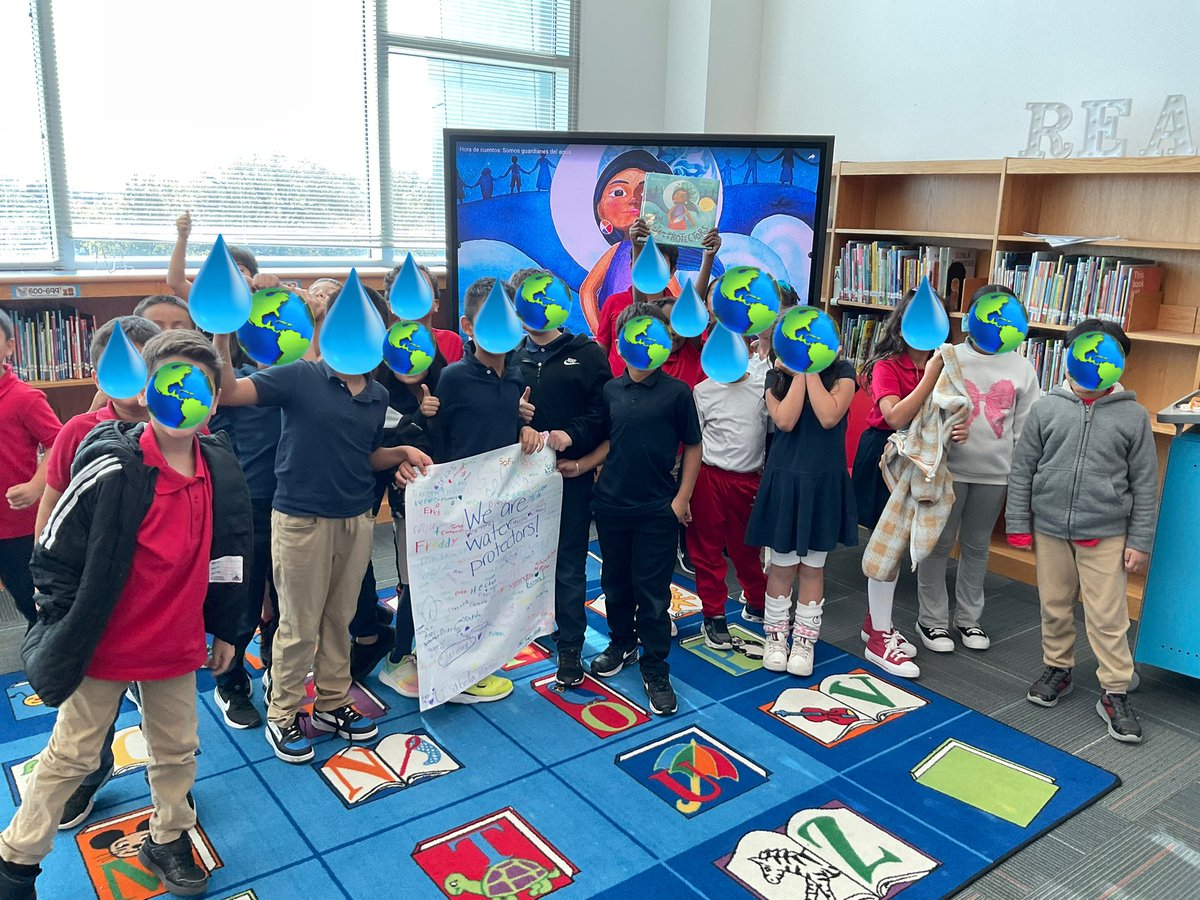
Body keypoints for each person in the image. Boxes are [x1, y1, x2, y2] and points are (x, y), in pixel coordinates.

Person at [0, 330, 251, 899]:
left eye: (198, 389)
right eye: (170, 384)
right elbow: (54, 553)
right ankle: (15, 860)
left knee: (176, 748)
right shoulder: (112, 462)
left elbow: (233, 551)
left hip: (175, 642)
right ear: (145, 390)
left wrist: (230, 628)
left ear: (213, 400)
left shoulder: (219, 465)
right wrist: (64, 623)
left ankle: (168, 835)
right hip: (104, 643)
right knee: (72, 753)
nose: (183, 398)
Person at [212, 325, 432, 764]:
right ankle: (283, 712)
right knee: (299, 621)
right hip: (301, 519)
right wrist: (221, 335)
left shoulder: (376, 395)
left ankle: (332, 702)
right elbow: (230, 392)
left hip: (355, 518)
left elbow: (367, 456)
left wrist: (402, 450)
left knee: (340, 616)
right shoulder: (300, 376)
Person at [1006, 320, 1157, 744]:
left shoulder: (1132, 415)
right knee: (1054, 605)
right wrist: (1019, 524)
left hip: (1107, 534)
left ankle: (1114, 690)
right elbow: (1023, 471)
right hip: (1051, 530)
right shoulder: (1046, 408)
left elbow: (1146, 484)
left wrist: (1139, 541)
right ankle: (1059, 667)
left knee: (1108, 617)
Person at [421, 276, 538, 702]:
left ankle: (475, 661)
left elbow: (512, 427)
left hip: (502, 502)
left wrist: (527, 427)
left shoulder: (518, 376)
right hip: (459, 504)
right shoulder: (453, 378)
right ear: (469, 327)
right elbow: (437, 438)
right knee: (458, 588)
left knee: (490, 582)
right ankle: (452, 673)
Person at [589, 302, 702, 717]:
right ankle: (621, 645)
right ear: (621, 342)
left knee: (653, 596)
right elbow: (604, 440)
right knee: (614, 583)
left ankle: (656, 668)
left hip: (657, 509)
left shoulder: (676, 393)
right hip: (612, 506)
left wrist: (681, 499)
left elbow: (693, 445)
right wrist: (590, 469)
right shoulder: (610, 390)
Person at [915, 284, 1038, 654]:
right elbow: (924, 412)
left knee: (976, 546)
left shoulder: (1022, 367)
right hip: (947, 471)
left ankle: (969, 619)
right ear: (971, 317)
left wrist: (1020, 481)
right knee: (936, 546)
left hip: (995, 476)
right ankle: (932, 621)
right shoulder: (948, 356)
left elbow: (1025, 431)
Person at [510, 268, 611, 687]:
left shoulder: (586, 352)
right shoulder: (510, 353)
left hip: (568, 476)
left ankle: (570, 646)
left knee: (568, 563)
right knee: (520, 562)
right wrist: (514, 418)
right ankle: (515, 636)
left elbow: (604, 412)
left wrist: (572, 436)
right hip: (516, 482)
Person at [746, 334, 858, 677]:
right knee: (781, 566)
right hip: (786, 479)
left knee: (812, 567)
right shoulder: (775, 376)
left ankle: (804, 641)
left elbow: (828, 416)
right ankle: (776, 637)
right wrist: (797, 374)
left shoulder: (844, 373)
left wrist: (810, 371)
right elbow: (785, 421)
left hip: (823, 480)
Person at [851, 291, 948, 672]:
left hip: (921, 460)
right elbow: (893, 416)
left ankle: (876, 622)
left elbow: (950, 411)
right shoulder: (887, 366)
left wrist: (957, 428)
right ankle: (879, 637)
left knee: (897, 544)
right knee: (886, 546)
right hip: (884, 456)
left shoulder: (945, 362)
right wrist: (929, 378)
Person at [206, 338, 283, 730]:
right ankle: (231, 680)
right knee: (242, 599)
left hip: (295, 507)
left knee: (289, 599)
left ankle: (276, 664)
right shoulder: (241, 387)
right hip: (247, 509)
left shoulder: (310, 380)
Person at [688, 338, 770, 646]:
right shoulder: (703, 390)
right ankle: (714, 614)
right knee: (706, 550)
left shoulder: (761, 387)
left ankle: (758, 600)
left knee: (746, 549)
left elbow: (773, 430)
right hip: (709, 477)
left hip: (748, 480)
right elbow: (695, 443)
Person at [0, 310, 62, 628]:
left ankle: (50, 666)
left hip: (18, 528)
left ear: (9, 346)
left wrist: (37, 485)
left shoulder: (25, 398)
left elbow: (58, 442)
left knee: (34, 604)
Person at [579, 149, 674, 332]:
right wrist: (601, 333)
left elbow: (674, 297)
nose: (633, 200)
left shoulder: (655, 254)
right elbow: (587, 291)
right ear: (600, 208)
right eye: (618, 192)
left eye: (645, 192)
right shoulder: (617, 250)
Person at [383, 261, 463, 363]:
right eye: (406, 289)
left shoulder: (452, 341)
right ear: (391, 306)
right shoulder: (381, 343)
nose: (415, 294)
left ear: (436, 304)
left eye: (423, 287)